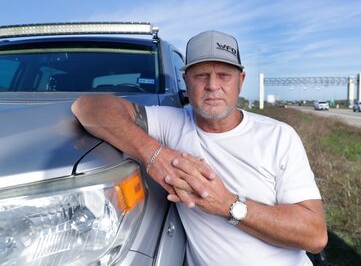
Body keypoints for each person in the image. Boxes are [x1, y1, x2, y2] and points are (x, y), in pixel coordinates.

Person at [72, 30, 327, 266]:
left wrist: (227, 204)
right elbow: (88, 107)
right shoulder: (171, 124)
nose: (212, 85)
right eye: (201, 75)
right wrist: (155, 155)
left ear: (241, 80)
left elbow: (315, 235)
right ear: (185, 81)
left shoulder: (278, 137)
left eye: (224, 75)